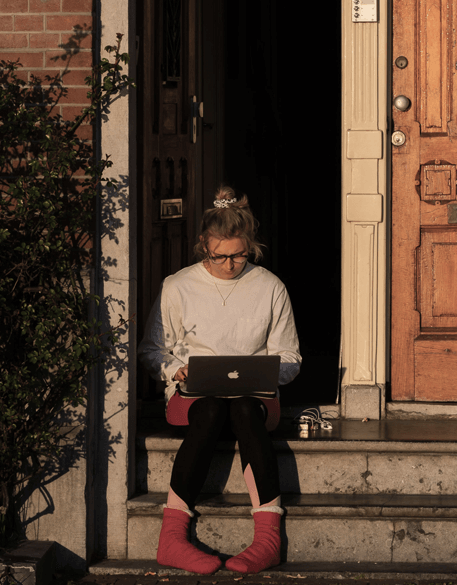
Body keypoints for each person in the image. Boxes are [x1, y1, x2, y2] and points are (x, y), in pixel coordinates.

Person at [138, 186, 301, 575]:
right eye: (220, 256)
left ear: (252, 246)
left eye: (239, 255)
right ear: (202, 247)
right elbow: (151, 350)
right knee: (211, 409)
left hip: (254, 398)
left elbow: (291, 357)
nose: (230, 265)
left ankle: (267, 539)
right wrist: (174, 370)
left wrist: (266, 372)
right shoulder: (177, 286)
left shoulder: (270, 286)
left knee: (244, 409)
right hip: (195, 400)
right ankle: (172, 538)